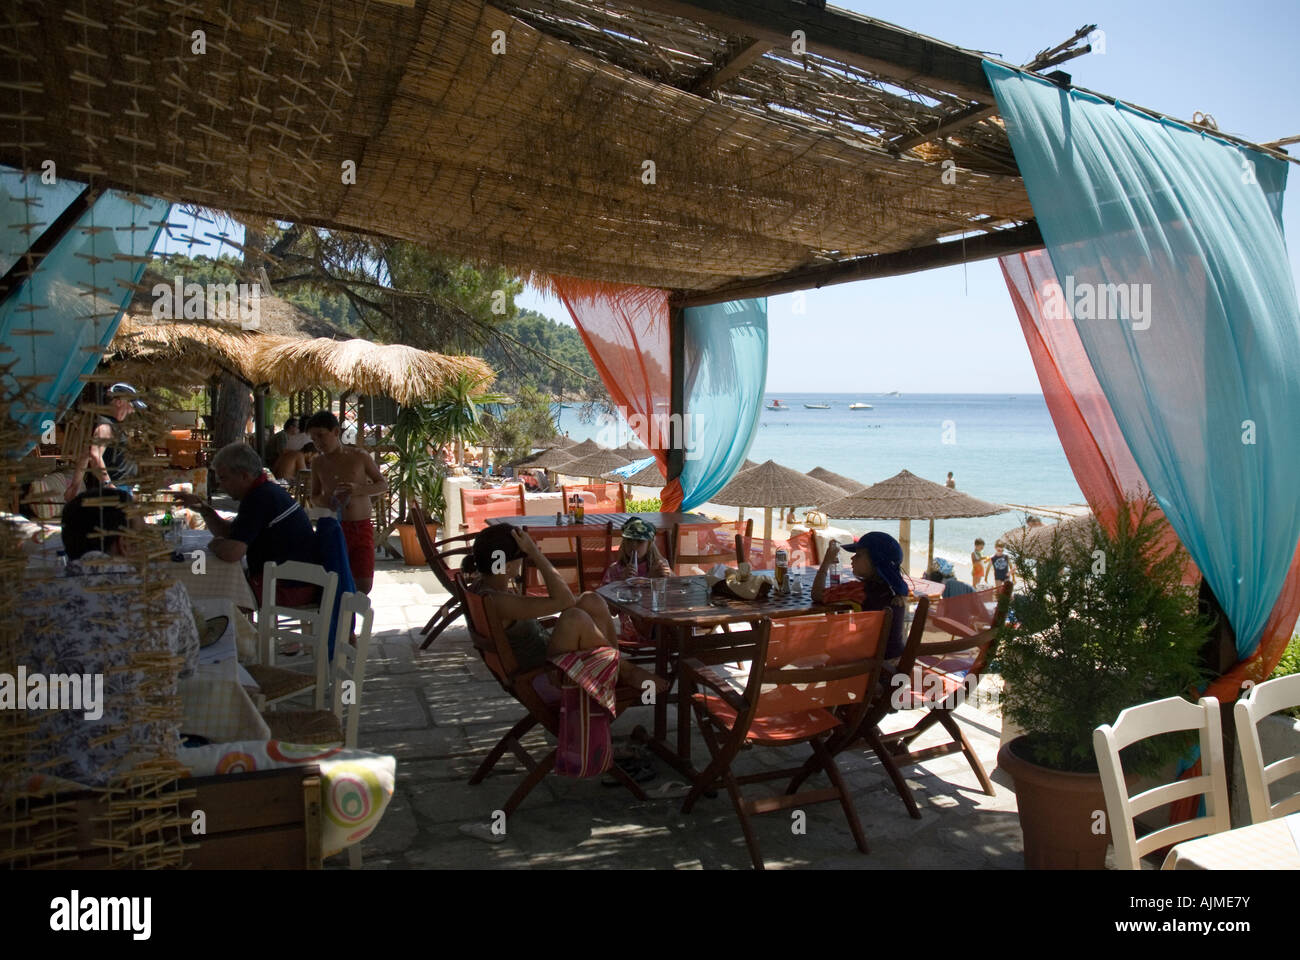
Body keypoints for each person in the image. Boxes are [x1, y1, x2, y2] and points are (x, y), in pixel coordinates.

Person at [18, 490, 199, 786]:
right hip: (146, 777)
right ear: (124, 544)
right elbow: (188, 667)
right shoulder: (164, 592)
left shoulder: (28, 598)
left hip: (51, 784)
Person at [463, 525, 646, 685]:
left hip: (546, 661)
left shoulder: (483, 589)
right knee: (574, 618)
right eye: (522, 556)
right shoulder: (499, 602)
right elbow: (564, 601)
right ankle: (625, 671)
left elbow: (565, 600)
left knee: (590, 599)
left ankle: (617, 670)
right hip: (544, 676)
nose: (524, 560)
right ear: (508, 565)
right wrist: (536, 553)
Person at [174, 442, 321, 605]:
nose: (220, 485)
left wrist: (215, 544)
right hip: (296, 581)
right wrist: (205, 510)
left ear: (244, 476)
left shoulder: (259, 498)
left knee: (215, 592)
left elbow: (232, 552)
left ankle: (234, 629)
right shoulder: (264, 491)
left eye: (224, 478)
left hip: (290, 587)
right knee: (222, 585)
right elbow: (233, 533)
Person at [305, 410, 387, 595]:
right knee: (335, 582)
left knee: (363, 585)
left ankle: (352, 618)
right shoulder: (318, 463)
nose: (318, 442)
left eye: (321, 436)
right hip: (336, 526)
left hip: (361, 526)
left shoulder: (359, 456)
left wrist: (358, 490)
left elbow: (382, 484)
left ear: (335, 432)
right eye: (313, 439)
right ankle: (342, 620)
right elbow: (314, 496)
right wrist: (326, 500)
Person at [811, 531, 908, 659]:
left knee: (822, 647)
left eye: (859, 555)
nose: (852, 558)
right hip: (894, 663)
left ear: (875, 562)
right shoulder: (899, 592)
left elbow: (817, 594)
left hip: (866, 665)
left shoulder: (858, 591)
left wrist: (826, 562)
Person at [65, 382, 145, 502]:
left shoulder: (111, 424)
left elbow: (84, 456)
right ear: (119, 402)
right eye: (131, 406)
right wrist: (108, 484)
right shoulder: (105, 426)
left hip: (121, 488)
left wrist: (74, 486)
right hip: (116, 489)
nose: (132, 411)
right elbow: (94, 455)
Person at [600, 518, 672, 647]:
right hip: (634, 628)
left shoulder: (658, 565)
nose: (633, 546)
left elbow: (675, 594)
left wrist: (670, 576)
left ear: (649, 544)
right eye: (628, 540)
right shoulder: (615, 570)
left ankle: (685, 658)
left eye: (639, 542)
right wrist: (621, 582)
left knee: (676, 622)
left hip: (661, 622)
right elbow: (611, 611)